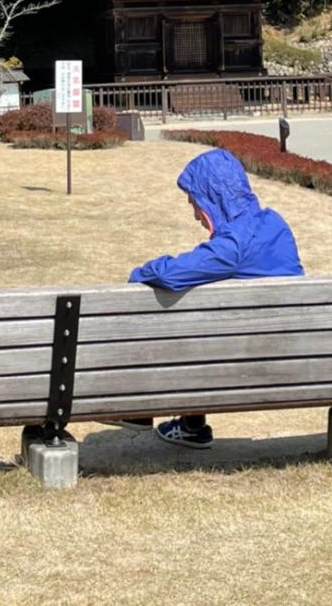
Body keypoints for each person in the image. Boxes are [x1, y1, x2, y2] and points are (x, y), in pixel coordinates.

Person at [126, 146, 304, 448]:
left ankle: (134, 406)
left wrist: (140, 273)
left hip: (248, 366)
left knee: (177, 319)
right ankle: (191, 423)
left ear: (213, 197)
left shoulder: (234, 245)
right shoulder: (276, 224)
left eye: (194, 202)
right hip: (298, 357)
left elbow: (172, 274)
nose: (195, 214)